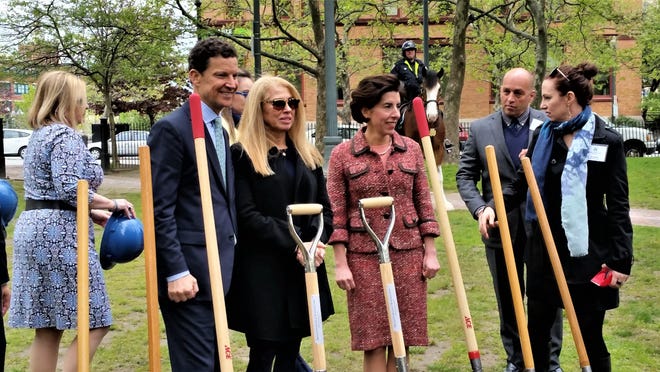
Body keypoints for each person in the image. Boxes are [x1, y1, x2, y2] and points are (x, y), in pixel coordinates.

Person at [485, 63, 633, 372]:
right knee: (538, 336)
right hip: (544, 251)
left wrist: (621, 261)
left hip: (588, 253)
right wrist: (494, 206)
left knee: (590, 335)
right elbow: (522, 183)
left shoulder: (607, 140)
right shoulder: (544, 135)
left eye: (548, 98)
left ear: (569, 98)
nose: (541, 105)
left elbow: (618, 205)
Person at [8, 70, 135, 371]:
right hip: (59, 236)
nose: (85, 107)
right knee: (96, 319)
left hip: (34, 227)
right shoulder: (63, 135)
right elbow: (69, 187)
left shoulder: (40, 135)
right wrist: (113, 202)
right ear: (65, 102)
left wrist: (92, 211)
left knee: (48, 325)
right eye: (81, 100)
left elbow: (50, 189)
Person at [326, 74, 440, 371]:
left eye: (397, 106)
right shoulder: (342, 156)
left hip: (408, 253)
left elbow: (423, 202)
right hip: (364, 257)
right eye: (387, 107)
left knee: (402, 340)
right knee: (374, 340)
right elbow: (336, 213)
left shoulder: (411, 150)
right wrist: (340, 263)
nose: (395, 114)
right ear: (366, 111)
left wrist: (430, 251)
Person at [456, 68, 564, 372]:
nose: (510, 98)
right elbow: (465, 176)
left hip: (541, 228)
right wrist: (480, 208)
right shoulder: (480, 129)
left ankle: (549, 361)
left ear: (531, 95)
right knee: (508, 297)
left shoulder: (548, 126)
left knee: (546, 298)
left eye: (518, 93)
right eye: (505, 91)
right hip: (499, 228)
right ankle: (516, 360)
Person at [226, 75, 334, 371]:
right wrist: (296, 242)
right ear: (259, 109)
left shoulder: (308, 155)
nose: (288, 109)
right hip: (264, 273)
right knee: (263, 355)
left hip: (303, 268)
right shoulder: (242, 156)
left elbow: (325, 209)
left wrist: (316, 243)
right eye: (278, 103)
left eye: (293, 103)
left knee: (290, 353)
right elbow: (247, 215)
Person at [148, 37, 239, 370]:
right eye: (220, 75)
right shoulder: (171, 130)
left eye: (234, 75)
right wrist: (176, 271)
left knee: (217, 364)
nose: (230, 83)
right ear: (195, 77)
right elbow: (160, 209)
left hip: (221, 273)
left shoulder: (222, 128)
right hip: (190, 278)